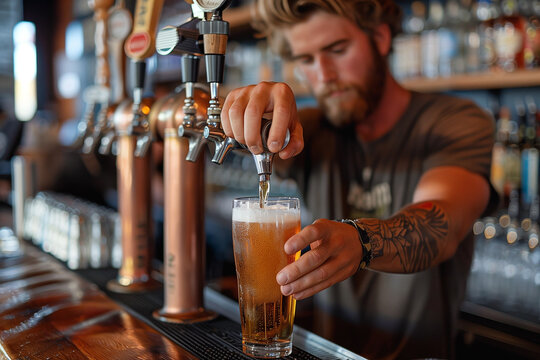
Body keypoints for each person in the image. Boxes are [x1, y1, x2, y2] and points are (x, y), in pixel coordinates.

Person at [220, 0, 496, 359]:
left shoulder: (455, 120)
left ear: (379, 38)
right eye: (305, 60)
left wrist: (361, 241)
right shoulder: (312, 133)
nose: (324, 74)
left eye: (337, 50)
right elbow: (215, 130)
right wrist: (240, 114)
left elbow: (440, 225)